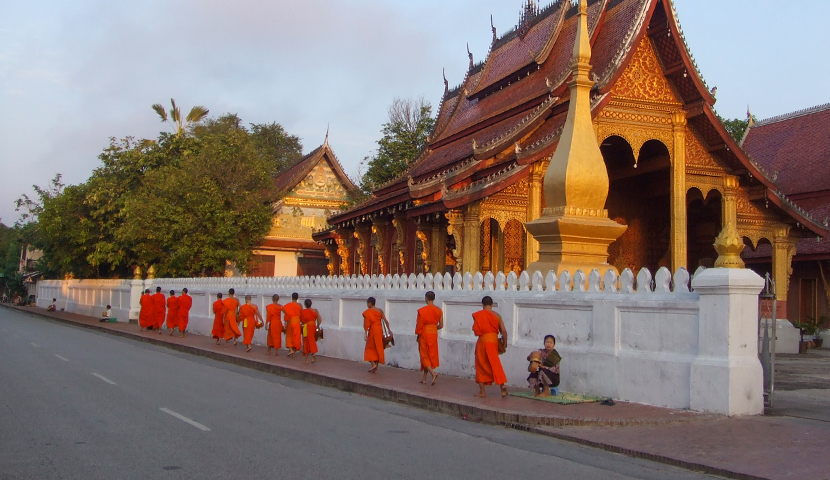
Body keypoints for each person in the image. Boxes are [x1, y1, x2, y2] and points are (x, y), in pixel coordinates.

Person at [472, 296, 508, 398]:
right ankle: (503, 386)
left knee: (480, 365)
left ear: (482, 305)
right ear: (492, 305)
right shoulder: (497, 316)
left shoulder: (478, 315)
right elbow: (504, 331)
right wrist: (505, 342)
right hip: (493, 342)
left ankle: (482, 392)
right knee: (495, 364)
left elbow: (475, 330)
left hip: (483, 342)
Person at [416, 291, 443, 385]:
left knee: (424, 356)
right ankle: (424, 378)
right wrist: (433, 328)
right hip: (433, 334)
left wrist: (418, 335)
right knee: (430, 355)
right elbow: (441, 325)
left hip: (424, 334)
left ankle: (433, 373)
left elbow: (419, 325)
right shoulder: (439, 310)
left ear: (426, 298)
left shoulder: (422, 310)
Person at [363, 297, 391, 374]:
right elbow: (386, 321)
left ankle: (373, 364)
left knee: (369, 349)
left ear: (369, 303)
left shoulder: (368, 312)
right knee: (378, 349)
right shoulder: (380, 311)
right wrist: (389, 330)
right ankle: (376, 369)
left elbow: (366, 325)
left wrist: (365, 333)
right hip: (379, 331)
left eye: (367, 303)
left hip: (372, 331)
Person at [300, 299, 322, 364]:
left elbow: (301, 320)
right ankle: (313, 355)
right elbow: (320, 319)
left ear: (305, 305)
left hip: (306, 327)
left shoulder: (303, 312)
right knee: (312, 340)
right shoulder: (315, 311)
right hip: (313, 326)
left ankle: (306, 360)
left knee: (305, 341)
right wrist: (317, 326)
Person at [283, 293, 303, 357]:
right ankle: (294, 352)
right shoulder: (299, 305)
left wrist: (286, 322)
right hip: (297, 322)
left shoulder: (288, 305)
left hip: (291, 321)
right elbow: (301, 314)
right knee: (296, 336)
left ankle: (291, 349)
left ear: (292, 297)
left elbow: (285, 312)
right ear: (297, 298)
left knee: (289, 336)